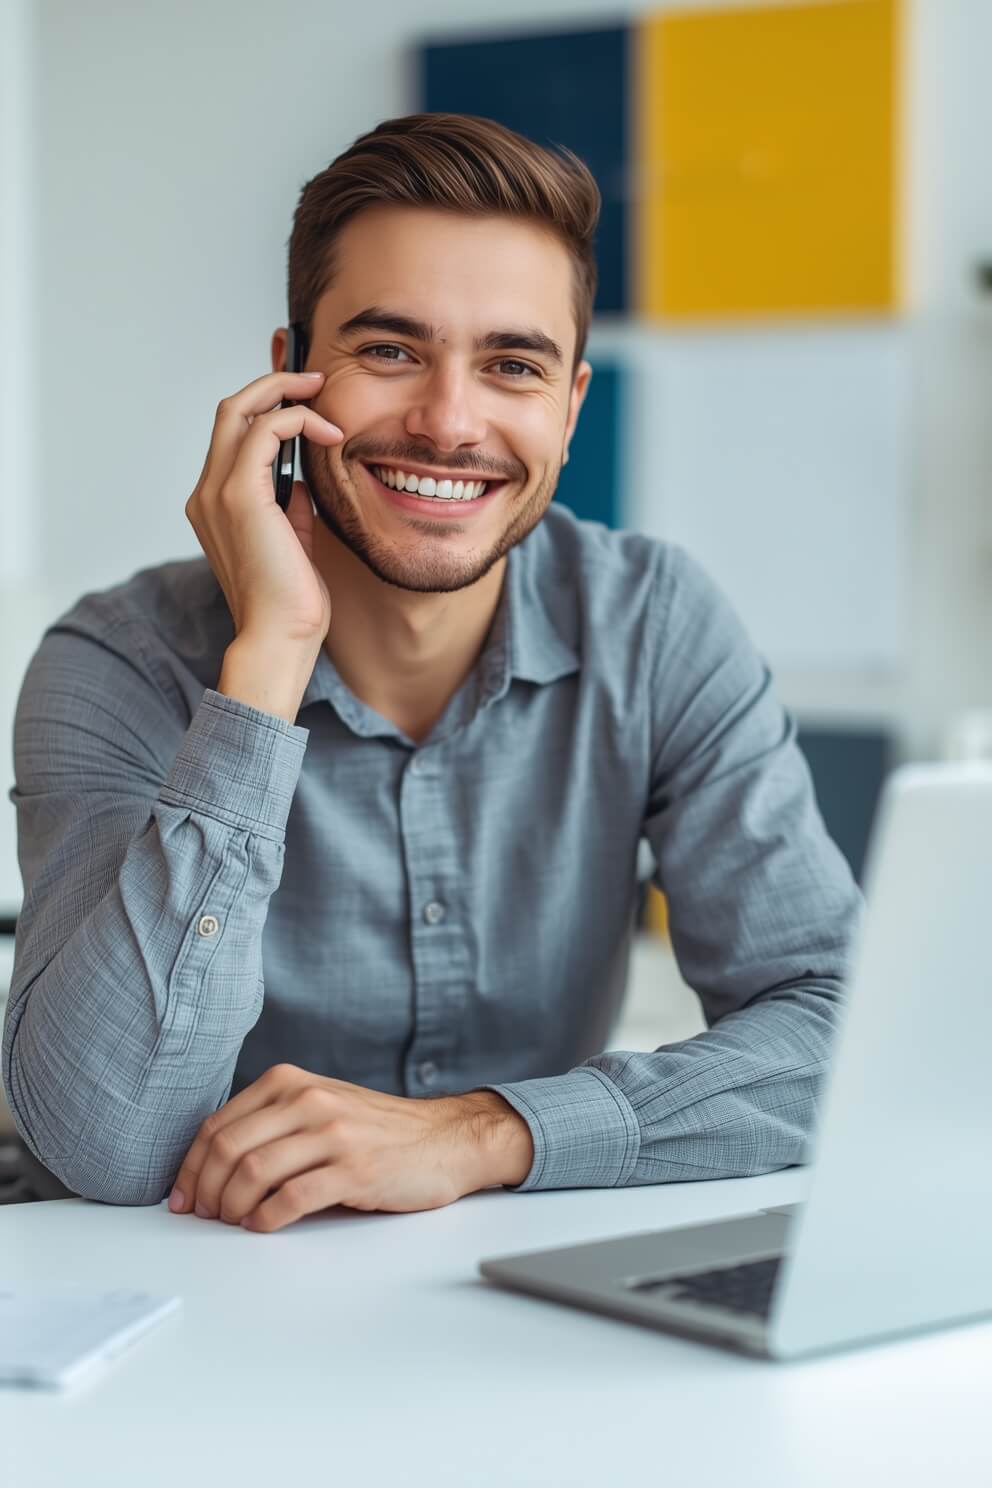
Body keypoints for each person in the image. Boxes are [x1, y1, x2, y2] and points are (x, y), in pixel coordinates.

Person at [2, 113, 862, 1233]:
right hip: (168, 1309)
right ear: (286, 380)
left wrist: (479, 1133)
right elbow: (108, 1146)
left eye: (512, 366)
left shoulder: (654, 625)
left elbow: (837, 1031)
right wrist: (264, 664)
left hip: (496, 1308)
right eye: (389, 350)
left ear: (568, 408)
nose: (449, 422)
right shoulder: (115, 659)